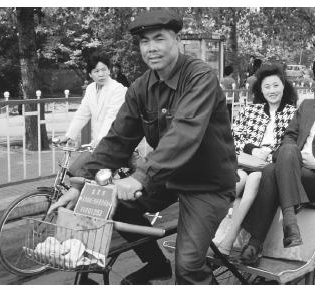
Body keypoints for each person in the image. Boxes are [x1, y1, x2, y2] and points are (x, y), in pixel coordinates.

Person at [48, 9, 237, 284]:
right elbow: (116, 140)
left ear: (176, 39)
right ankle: (156, 264)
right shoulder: (141, 87)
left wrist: (138, 178)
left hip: (207, 184)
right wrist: (80, 184)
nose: (151, 48)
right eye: (144, 42)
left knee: (188, 266)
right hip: (167, 178)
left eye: (158, 38)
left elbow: (183, 134)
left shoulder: (200, 77)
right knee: (115, 203)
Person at [238, 55, 315, 266]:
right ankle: (290, 222)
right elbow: (289, 135)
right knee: (285, 152)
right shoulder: (308, 106)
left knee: (271, 171)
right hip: (291, 165)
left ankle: (256, 242)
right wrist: (293, 154)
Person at [217, 63, 297, 256]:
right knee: (240, 180)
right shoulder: (250, 110)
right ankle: (211, 234)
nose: (272, 91)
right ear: (260, 89)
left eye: (276, 85)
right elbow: (233, 136)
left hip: (270, 168)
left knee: (253, 179)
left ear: (284, 86)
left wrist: (268, 154)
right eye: (267, 86)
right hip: (246, 161)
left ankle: (227, 242)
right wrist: (252, 149)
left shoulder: (293, 113)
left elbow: (292, 145)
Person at [57, 51, 127, 153]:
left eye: (104, 70)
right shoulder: (90, 89)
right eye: (96, 71)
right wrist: (69, 135)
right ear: (90, 74)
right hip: (97, 146)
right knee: (77, 168)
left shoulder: (117, 89)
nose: (101, 74)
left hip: (115, 145)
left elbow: (111, 118)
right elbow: (82, 114)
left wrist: (99, 141)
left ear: (109, 71)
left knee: (82, 167)